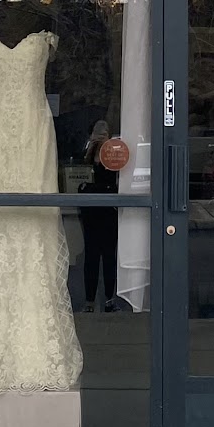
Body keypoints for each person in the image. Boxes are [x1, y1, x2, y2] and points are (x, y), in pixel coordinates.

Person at [78, 122, 120, 312]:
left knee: (109, 254)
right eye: (97, 133)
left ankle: (109, 299)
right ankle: (89, 301)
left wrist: (107, 148)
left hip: (109, 207)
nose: (101, 137)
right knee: (91, 255)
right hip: (91, 208)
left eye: (104, 133)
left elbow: (118, 172)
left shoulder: (114, 152)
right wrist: (91, 147)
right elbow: (78, 171)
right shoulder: (87, 150)